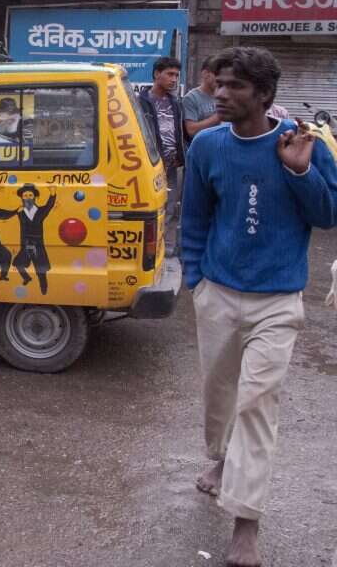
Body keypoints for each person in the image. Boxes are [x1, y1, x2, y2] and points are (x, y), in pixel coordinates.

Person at [182, 46, 337, 567]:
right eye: (218, 84)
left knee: (256, 403)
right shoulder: (207, 146)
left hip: (277, 299)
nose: (220, 94)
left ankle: (246, 524)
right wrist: (194, 280)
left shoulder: (304, 145)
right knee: (219, 395)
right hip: (219, 293)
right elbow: (195, 215)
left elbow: (328, 214)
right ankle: (222, 461)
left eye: (235, 87)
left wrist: (298, 173)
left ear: (264, 96)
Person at [138, 56, 186, 256]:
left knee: (170, 206)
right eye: (170, 74)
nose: (174, 79)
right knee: (150, 207)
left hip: (171, 165)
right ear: (157, 74)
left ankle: (162, 247)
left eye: (176, 75)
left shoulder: (175, 102)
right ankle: (149, 249)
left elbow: (178, 130)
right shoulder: (141, 102)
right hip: (151, 166)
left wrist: (179, 154)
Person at [182, 56, 220, 140]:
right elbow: (191, 130)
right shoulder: (191, 98)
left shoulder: (225, 95)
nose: (220, 78)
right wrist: (218, 117)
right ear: (205, 73)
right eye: (217, 74)